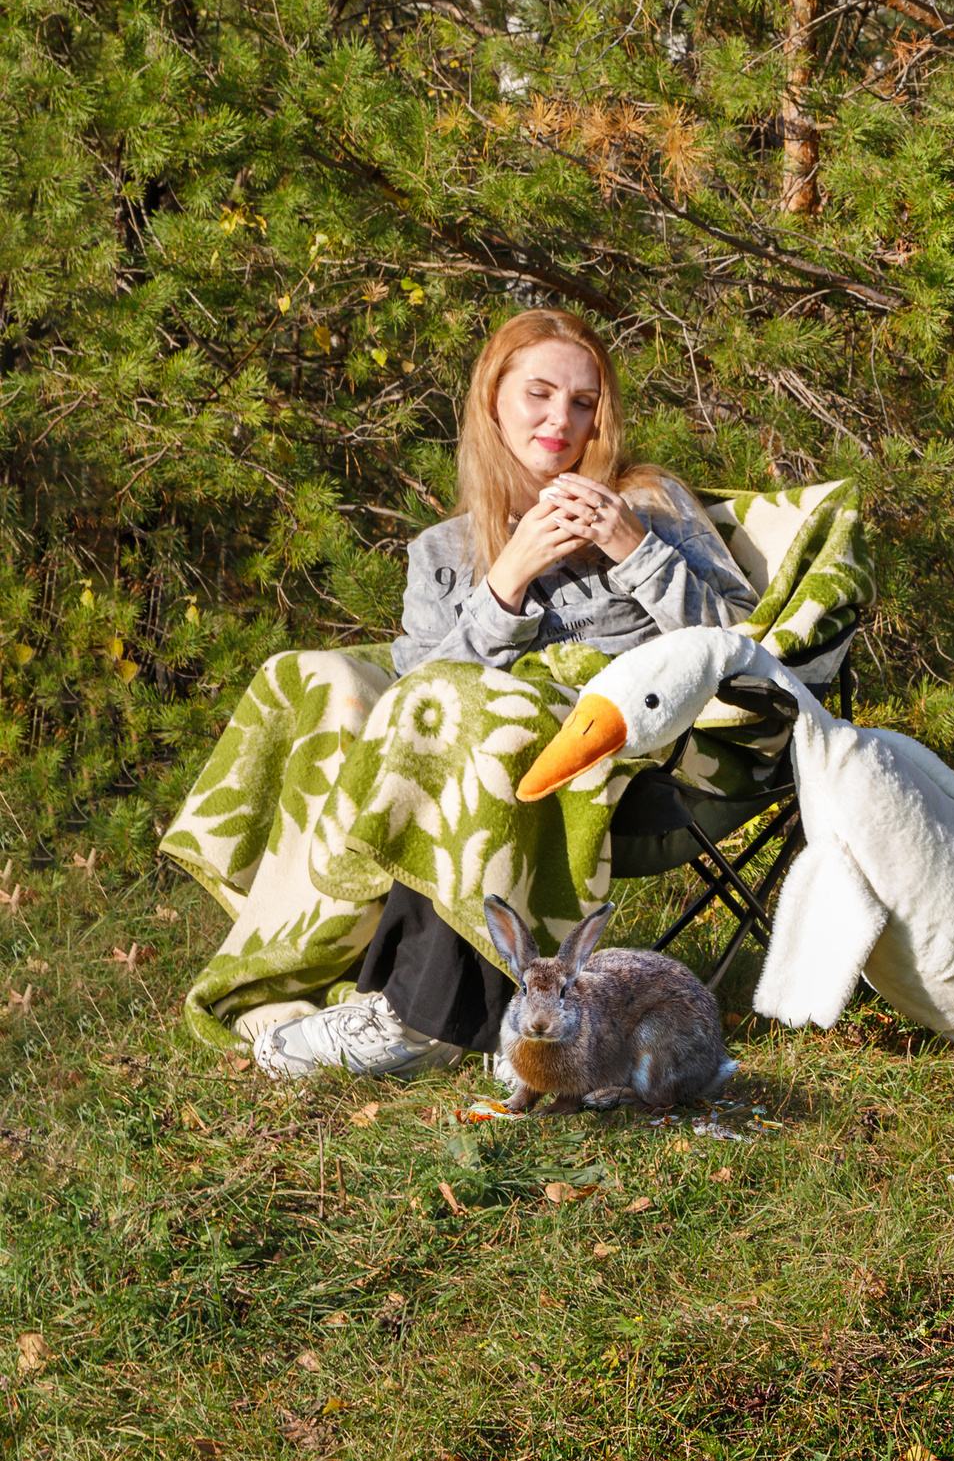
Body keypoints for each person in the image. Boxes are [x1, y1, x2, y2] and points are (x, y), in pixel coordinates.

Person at [254, 308, 758, 1080]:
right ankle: (423, 1002)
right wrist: (507, 580)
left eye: (585, 402)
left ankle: (413, 1020)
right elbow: (414, 705)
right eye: (541, 394)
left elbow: (746, 640)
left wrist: (634, 551)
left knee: (494, 725)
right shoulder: (443, 554)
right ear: (493, 400)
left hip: (630, 752)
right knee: (457, 717)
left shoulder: (648, 502)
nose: (563, 419)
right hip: (487, 751)